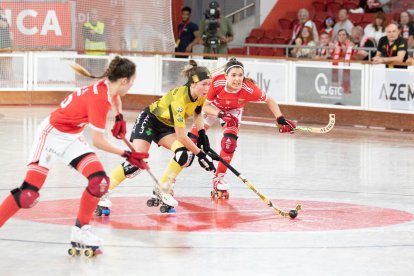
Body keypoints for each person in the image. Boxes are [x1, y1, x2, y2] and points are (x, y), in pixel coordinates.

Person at [0, 56, 148, 255]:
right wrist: (127, 154)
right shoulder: (99, 100)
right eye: (132, 81)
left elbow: (116, 97)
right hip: (51, 136)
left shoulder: (109, 86)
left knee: (99, 182)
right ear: (123, 81)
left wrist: (119, 116)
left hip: (72, 137)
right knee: (28, 193)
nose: (131, 85)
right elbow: (98, 141)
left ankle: (80, 231)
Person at [97, 60, 215, 212]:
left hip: (165, 127)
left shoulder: (200, 95)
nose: (207, 88)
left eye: (209, 84)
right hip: (149, 121)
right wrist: (201, 154)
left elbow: (198, 113)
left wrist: (202, 134)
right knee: (136, 163)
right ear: (192, 83)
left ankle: (163, 188)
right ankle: (102, 191)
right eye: (204, 84)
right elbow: (181, 137)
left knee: (184, 155)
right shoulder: (179, 100)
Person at [189, 58, 295, 198]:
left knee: (229, 143)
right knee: (190, 143)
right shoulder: (216, 82)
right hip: (212, 107)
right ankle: (170, 181)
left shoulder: (249, 88)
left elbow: (269, 100)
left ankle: (218, 179)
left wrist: (280, 119)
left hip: (233, 110)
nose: (237, 79)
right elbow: (205, 106)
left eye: (240, 75)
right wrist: (221, 113)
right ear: (226, 76)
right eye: (233, 75)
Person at [82, 9, 107, 77]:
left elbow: (104, 37)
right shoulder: (86, 25)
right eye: (92, 14)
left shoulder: (102, 25)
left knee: (100, 75)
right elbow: (89, 37)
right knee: (90, 76)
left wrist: (95, 33)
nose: (94, 16)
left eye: (95, 14)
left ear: (98, 15)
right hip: (90, 54)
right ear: (90, 16)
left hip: (101, 54)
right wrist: (98, 34)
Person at [0, 7, 13, 85]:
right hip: (3, 49)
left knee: (7, 71)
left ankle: (15, 90)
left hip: (4, 49)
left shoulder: (3, 19)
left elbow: (3, 24)